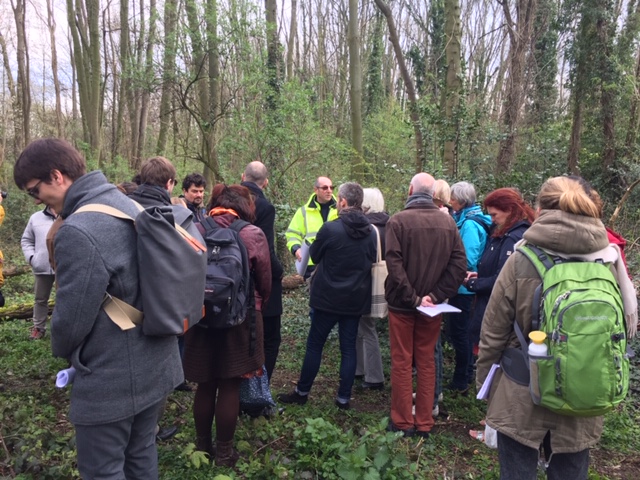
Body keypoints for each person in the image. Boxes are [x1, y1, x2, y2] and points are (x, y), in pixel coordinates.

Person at [13, 138, 183, 479]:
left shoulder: (77, 230)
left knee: (102, 470)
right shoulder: (125, 202)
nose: (36, 200)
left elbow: (71, 321)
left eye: (34, 190)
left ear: (57, 176)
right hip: (157, 359)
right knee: (141, 455)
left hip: (112, 378)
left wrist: (62, 349)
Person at [477, 176, 638, 479]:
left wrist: (486, 384)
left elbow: (493, 332)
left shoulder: (522, 259)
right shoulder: (608, 259)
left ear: (540, 209)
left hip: (522, 389)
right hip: (583, 389)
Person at [183, 184, 271, 467]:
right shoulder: (252, 233)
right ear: (245, 207)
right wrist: (259, 304)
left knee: (205, 384)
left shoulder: (195, 228)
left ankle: (202, 447)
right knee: (230, 385)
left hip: (200, 315)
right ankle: (224, 454)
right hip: (240, 318)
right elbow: (265, 281)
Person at [278, 182, 376, 409]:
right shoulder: (370, 231)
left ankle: (302, 392)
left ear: (343, 202)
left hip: (327, 298)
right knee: (348, 347)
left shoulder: (331, 229)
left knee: (315, 345)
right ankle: (343, 398)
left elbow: (315, 255)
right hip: (355, 298)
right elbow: (371, 258)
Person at [384, 173, 467, 438]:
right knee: (426, 360)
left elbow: (394, 266)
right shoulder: (448, 223)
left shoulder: (397, 221)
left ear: (411, 190)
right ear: (433, 195)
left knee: (402, 360)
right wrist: (435, 296)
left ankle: (402, 422)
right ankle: (424, 422)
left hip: (403, 305)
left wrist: (417, 298)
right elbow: (459, 266)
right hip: (431, 307)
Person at [463, 188, 536, 356]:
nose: (492, 220)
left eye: (494, 215)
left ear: (509, 210)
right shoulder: (505, 234)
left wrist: (473, 283)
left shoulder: (513, 238)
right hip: (491, 309)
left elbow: (503, 281)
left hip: (498, 316)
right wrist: (481, 276)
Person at [241, 161, 284, 385]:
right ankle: (259, 389)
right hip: (258, 280)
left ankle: (237, 387)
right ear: (265, 182)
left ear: (243, 177)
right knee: (270, 338)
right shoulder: (264, 207)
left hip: (230, 278)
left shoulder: (224, 201)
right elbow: (265, 248)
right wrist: (279, 272)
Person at [446, 181, 491, 393]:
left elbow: (467, 259)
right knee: (462, 333)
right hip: (465, 286)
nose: (450, 201)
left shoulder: (470, 225)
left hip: (464, 288)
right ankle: (466, 373)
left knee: (460, 334)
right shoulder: (466, 219)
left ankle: (461, 380)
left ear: (462, 201)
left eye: (453, 198)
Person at [355, 187, 389, 391]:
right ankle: (360, 369)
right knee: (363, 326)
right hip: (385, 283)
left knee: (366, 328)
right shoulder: (390, 224)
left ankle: (374, 376)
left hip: (367, 283)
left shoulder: (368, 228)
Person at [285, 176, 338, 278]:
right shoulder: (303, 211)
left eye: (331, 187)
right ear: (316, 190)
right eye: (325, 188)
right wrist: (296, 249)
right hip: (311, 265)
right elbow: (292, 234)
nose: (329, 191)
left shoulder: (341, 209)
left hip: (335, 262)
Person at [21, 205, 57, 340]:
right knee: (40, 299)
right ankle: (38, 328)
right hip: (42, 266)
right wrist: (32, 258)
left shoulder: (70, 214)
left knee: (65, 298)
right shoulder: (36, 218)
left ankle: (62, 329)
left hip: (64, 267)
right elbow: (26, 240)